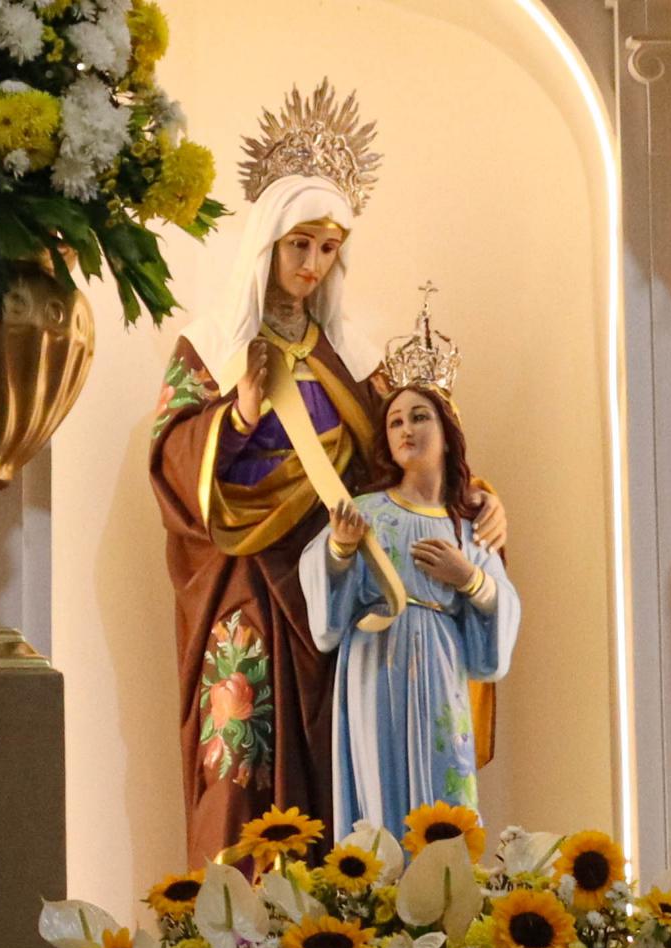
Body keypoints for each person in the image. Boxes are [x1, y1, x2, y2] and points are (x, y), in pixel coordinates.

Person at [149, 85, 507, 866]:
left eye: (328, 248)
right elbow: (170, 459)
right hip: (245, 580)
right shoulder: (210, 347)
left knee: (339, 759)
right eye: (299, 245)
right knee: (240, 751)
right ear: (266, 245)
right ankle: (238, 927)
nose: (312, 265)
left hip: (341, 580)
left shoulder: (353, 357)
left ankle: (343, 918)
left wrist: (475, 502)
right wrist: (238, 415)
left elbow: (404, 458)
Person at [299, 384, 520, 840]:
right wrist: (340, 550)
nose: (406, 429)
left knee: (446, 781)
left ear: (447, 434)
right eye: (395, 421)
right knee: (379, 788)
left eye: (420, 417)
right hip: (375, 662)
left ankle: (446, 880)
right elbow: (320, 592)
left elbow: (500, 620)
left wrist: (470, 579)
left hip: (441, 665)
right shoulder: (366, 512)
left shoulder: (467, 525)